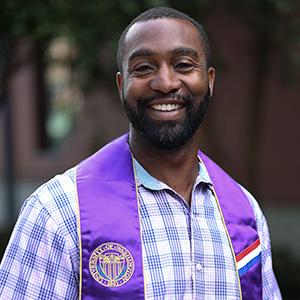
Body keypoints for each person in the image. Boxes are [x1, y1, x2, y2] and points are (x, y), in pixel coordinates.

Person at [0, 6, 281, 300]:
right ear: (122, 85)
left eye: (183, 65)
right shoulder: (58, 212)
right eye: (144, 68)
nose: (165, 83)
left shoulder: (245, 214)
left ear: (209, 80)